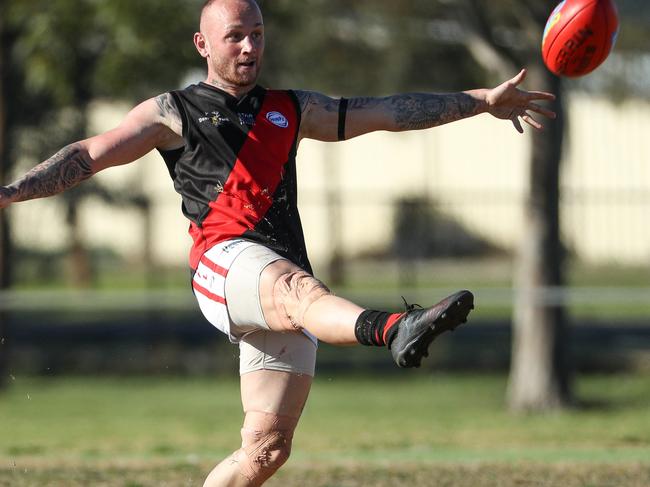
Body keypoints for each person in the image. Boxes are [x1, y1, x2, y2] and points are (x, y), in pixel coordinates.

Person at [0, 0, 557, 485]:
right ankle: (396, 328)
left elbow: (389, 112)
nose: (249, 47)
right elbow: (90, 155)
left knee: (265, 452)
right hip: (223, 267)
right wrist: (11, 192)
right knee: (297, 289)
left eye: (258, 35)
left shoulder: (292, 108)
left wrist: (481, 99)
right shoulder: (174, 111)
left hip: (280, 281)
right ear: (202, 44)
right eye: (235, 37)